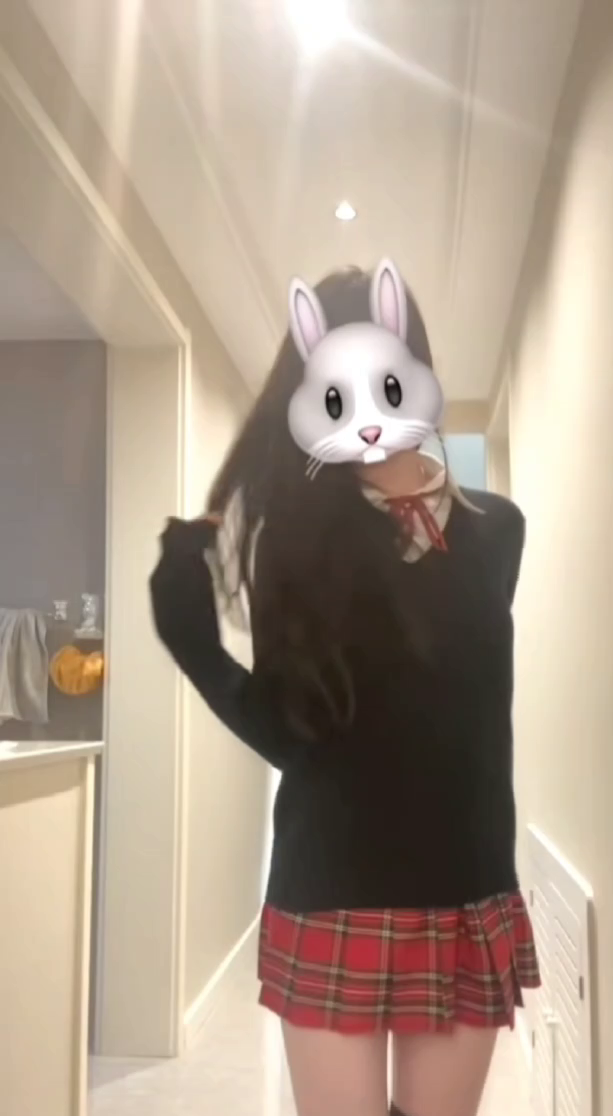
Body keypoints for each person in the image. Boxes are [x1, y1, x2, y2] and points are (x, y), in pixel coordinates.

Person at [149, 264, 540, 1116]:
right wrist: (192, 641)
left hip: (465, 888)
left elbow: (458, 716)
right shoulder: (294, 543)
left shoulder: (499, 531)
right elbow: (293, 736)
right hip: (331, 888)